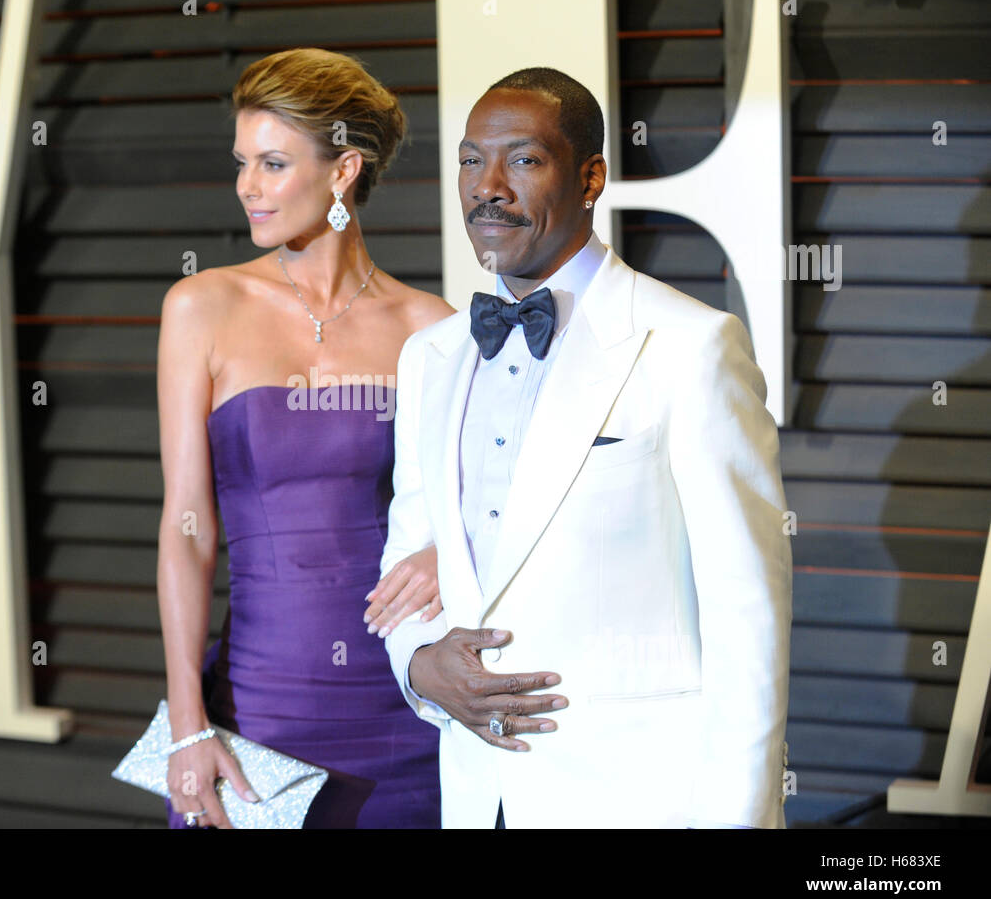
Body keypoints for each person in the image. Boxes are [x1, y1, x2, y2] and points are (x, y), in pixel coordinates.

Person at [381, 68, 793, 829]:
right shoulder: (429, 358)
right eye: (472, 160)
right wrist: (417, 661)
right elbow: (409, 563)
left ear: (591, 175)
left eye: (524, 160)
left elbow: (750, 619)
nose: (487, 187)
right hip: (476, 795)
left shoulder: (690, 347)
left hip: (636, 801)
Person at [155, 48, 455, 828]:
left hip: (408, 706)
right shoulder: (202, 307)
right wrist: (188, 724)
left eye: (273, 163)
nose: (246, 185)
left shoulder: (432, 328)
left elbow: (477, 508)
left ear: (343, 171)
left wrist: (444, 551)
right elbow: (186, 530)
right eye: (243, 162)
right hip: (260, 708)